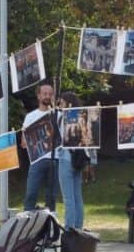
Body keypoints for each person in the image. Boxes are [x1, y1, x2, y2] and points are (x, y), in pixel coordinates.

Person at [21, 80, 58, 212]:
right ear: (39, 96)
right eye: (44, 93)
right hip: (36, 160)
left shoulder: (58, 114)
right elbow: (23, 143)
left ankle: (51, 222)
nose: (47, 96)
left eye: (50, 94)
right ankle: (27, 220)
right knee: (31, 193)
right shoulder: (30, 116)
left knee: (52, 195)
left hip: (55, 159)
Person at [55, 91, 86, 230]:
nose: (59, 104)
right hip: (78, 159)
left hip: (66, 158)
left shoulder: (63, 117)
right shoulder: (81, 116)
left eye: (61, 102)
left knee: (68, 198)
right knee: (77, 196)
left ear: (67, 103)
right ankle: (78, 227)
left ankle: (69, 229)